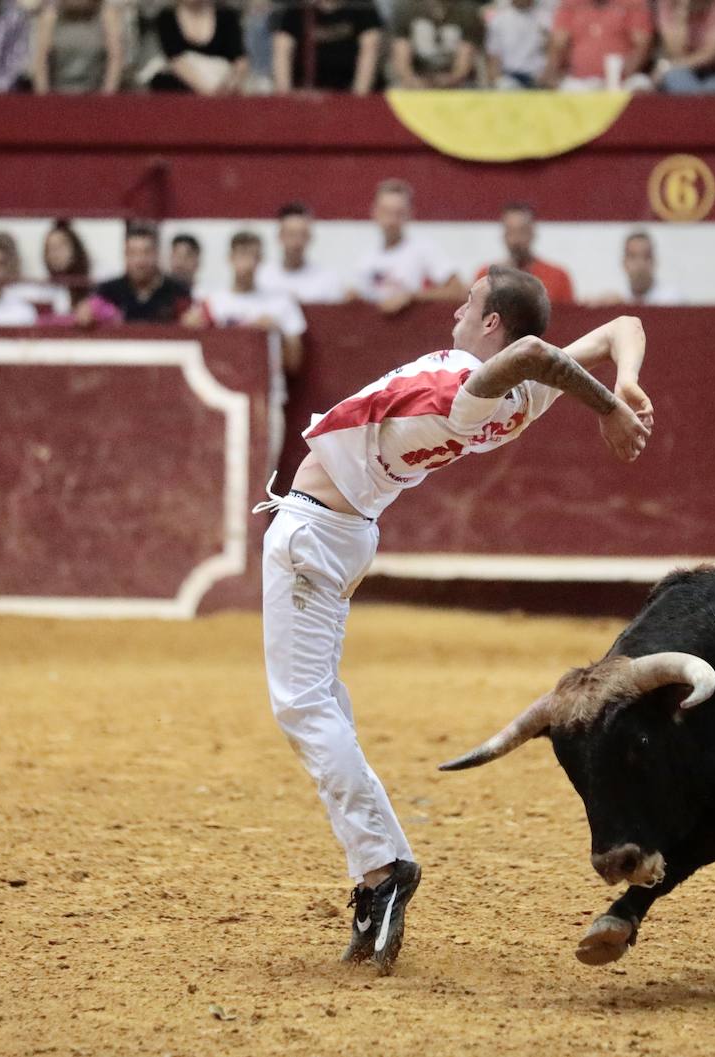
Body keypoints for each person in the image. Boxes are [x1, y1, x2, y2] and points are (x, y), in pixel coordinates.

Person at [257, 266, 653, 973]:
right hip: (342, 530)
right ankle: (382, 861)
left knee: (304, 705)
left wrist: (607, 409)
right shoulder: (523, 399)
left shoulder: (470, 388)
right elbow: (621, 328)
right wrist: (622, 381)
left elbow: (541, 354)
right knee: (321, 701)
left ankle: (383, 871)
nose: (454, 319)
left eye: (468, 307)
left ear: (493, 323)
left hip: (316, 534)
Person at [183, 231, 307, 375]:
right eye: (242, 254)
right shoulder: (210, 302)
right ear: (230, 258)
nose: (247, 262)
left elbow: (294, 362)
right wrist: (188, 330)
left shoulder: (281, 302)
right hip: (222, 384)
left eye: (252, 256)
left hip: (265, 386)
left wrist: (276, 334)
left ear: (260, 260)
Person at [351, 179, 465, 314]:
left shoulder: (423, 250)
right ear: (374, 212)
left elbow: (458, 291)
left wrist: (412, 297)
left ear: (410, 214)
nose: (391, 220)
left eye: (398, 213)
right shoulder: (366, 258)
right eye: (386, 211)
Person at [76, 224, 191, 324]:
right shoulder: (107, 291)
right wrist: (86, 312)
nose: (140, 260)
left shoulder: (178, 291)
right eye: (133, 253)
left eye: (146, 252)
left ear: (157, 254)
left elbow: (190, 321)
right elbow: (87, 312)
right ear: (125, 255)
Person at [273, 0, 383, 93]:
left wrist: (357, 100)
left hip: (349, 94)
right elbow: (282, 52)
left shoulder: (362, 7)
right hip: (306, 95)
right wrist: (286, 98)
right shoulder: (297, 10)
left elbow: (370, 49)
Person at [476, 203, 575, 304]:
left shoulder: (557, 277)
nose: (516, 240)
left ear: (532, 233)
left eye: (522, 232)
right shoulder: (486, 277)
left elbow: (568, 316)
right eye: (510, 232)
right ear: (503, 235)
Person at [543, 0, 654, 90]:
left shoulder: (633, 3)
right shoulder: (570, 4)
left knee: (641, 86)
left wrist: (617, 79)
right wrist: (551, 75)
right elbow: (558, 46)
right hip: (579, 81)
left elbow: (642, 47)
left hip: (623, 81)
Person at [150, 0, 248, 94]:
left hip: (223, 84)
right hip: (185, 88)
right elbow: (175, 59)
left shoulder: (227, 16)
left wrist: (231, 84)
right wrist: (207, 91)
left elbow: (240, 60)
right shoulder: (166, 17)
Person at [258, 202, 347, 304]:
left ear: (310, 237)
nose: (297, 242)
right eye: (291, 234)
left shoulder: (327, 279)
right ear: (280, 236)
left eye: (302, 235)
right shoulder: (262, 277)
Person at [655, 0, 715, 94]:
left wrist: (668, 66)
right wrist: (681, 13)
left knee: (708, 91)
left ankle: (695, 106)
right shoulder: (668, 3)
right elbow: (676, 54)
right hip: (687, 72)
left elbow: (710, 56)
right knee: (673, 76)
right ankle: (695, 105)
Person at [32, 0, 124, 94]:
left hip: (96, 96)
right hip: (57, 95)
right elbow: (41, 60)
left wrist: (107, 97)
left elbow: (115, 58)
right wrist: (43, 99)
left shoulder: (107, 15)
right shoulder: (50, 16)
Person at [390, 0, 484, 88]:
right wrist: (411, 80)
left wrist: (452, 79)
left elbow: (465, 57)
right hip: (416, 76)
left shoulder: (467, 10)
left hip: (456, 81)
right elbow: (401, 54)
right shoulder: (406, 8)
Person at [587, 230, 683, 306]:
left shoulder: (672, 301)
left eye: (646, 256)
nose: (640, 263)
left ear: (654, 261)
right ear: (624, 263)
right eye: (633, 256)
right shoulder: (615, 302)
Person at [484, 0, 554, 89]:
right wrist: (496, 81)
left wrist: (547, 77)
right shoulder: (499, 20)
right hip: (509, 77)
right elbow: (493, 56)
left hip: (538, 77)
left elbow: (553, 52)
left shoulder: (546, 19)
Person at [42, 219, 94, 305]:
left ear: (75, 248)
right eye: (49, 248)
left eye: (60, 246)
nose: (54, 253)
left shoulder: (93, 285)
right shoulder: (44, 291)